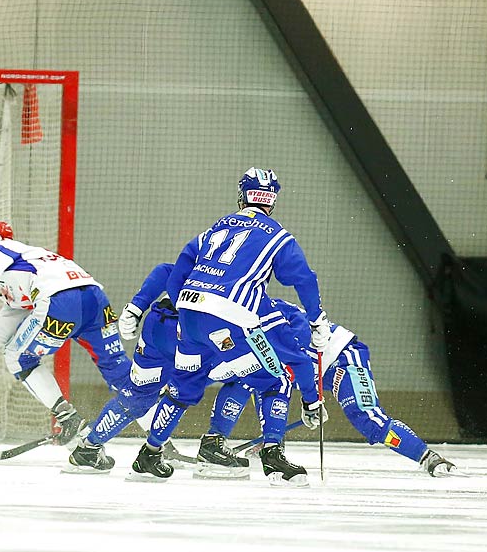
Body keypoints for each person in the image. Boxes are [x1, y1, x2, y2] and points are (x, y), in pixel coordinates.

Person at [113, 168, 325, 485]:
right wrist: (311, 397)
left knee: (183, 387)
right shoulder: (279, 237)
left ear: (243, 196)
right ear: (272, 200)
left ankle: (150, 453)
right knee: (274, 378)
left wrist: (182, 308)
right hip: (233, 315)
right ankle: (272, 458)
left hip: (189, 314)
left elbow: (178, 266)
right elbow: (304, 280)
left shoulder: (216, 228)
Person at [207, 304, 456, 478]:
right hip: (309, 367)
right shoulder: (238, 321)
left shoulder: (262, 318)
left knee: (369, 420)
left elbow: (291, 369)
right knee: (251, 379)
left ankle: (429, 458)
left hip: (342, 359)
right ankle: (221, 445)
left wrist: (310, 402)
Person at [0, 219, 129, 445]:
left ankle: (67, 418)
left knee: (19, 358)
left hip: (61, 303)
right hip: (95, 298)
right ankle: (159, 441)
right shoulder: (29, 259)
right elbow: (8, 321)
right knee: (119, 372)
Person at [65, 262, 259, 475]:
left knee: (138, 395)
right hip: (191, 333)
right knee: (245, 375)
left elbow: (166, 270)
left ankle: (88, 449)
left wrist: (137, 306)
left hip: (156, 326)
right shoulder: (248, 267)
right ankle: (208, 449)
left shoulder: (207, 252)